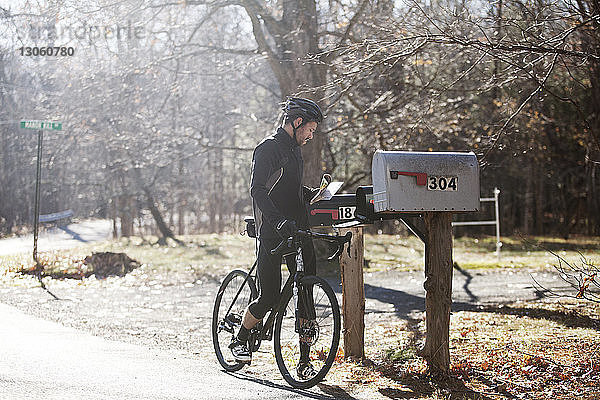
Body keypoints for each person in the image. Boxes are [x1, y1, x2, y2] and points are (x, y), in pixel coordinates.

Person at [229, 97, 324, 380]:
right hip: (272, 229)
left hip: (298, 228)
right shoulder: (267, 149)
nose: (311, 135)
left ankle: (304, 362)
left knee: (305, 290)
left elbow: (286, 188)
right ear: (297, 123)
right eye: (310, 129)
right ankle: (241, 337)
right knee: (269, 295)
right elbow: (258, 191)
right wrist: (278, 220)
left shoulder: (295, 150)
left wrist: (309, 194)